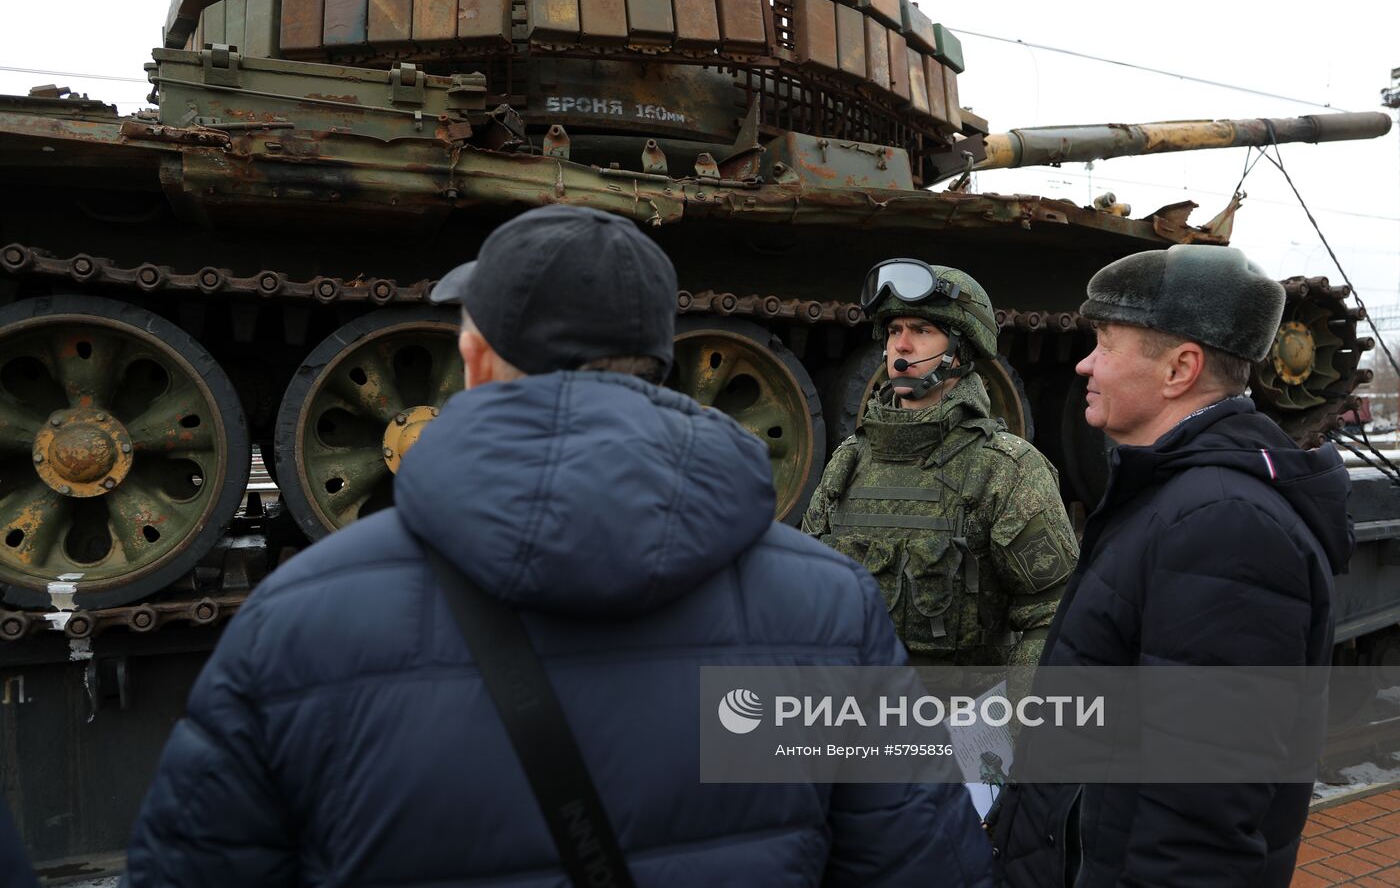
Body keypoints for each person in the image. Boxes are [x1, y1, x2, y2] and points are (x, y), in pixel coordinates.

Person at [122, 207, 992, 887]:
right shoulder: (830, 605)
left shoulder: (297, 617)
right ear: (660, 358)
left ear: (474, 355)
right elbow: (921, 863)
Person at [992, 244, 1350, 888]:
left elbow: (1200, 821)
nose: (1083, 364)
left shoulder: (1222, 525)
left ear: (1179, 369)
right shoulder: (1176, 499)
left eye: (1105, 342)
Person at [802, 260, 1076, 669]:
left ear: (960, 350)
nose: (902, 346)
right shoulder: (850, 460)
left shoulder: (1005, 469)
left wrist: (1013, 721)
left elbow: (1054, 613)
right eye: (895, 331)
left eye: (922, 331)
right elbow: (802, 591)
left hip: (952, 719)